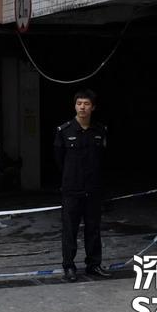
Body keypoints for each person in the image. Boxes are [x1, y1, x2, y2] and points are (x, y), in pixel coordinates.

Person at [54, 89, 110, 283]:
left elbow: (104, 160)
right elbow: (59, 161)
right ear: (74, 106)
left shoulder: (100, 131)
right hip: (72, 189)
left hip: (93, 189)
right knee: (70, 229)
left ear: (93, 107)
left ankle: (94, 264)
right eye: (79, 104)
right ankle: (69, 266)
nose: (82, 107)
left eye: (86, 104)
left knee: (93, 228)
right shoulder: (64, 131)